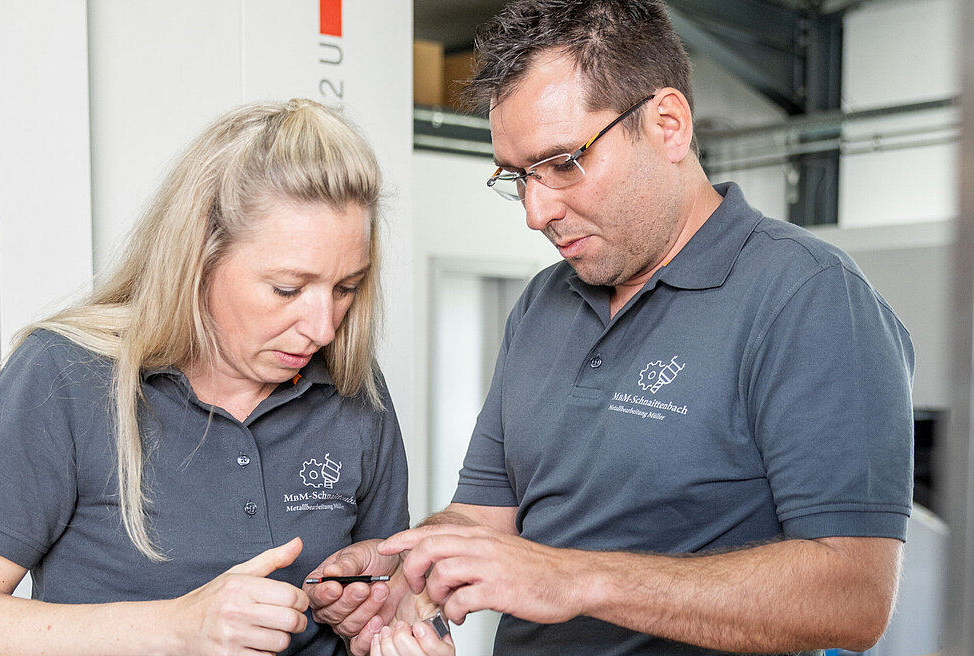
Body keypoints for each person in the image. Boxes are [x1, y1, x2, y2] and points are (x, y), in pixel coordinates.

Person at [308, 1, 915, 655]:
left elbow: (854, 598)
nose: (536, 212)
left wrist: (577, 580)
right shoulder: (543, 304)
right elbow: (486, 515)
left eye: (564, 161)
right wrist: (415, 563)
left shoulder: (808, 298)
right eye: (518, 177)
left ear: (668, 126)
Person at [0, 98, 410, 656]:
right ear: (198, 258)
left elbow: (383, 601)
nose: (322, 328)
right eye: (288, 289)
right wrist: (178, 628)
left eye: (346, 289)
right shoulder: (65, 376)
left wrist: (376, 624)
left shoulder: (354, 390)